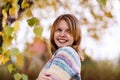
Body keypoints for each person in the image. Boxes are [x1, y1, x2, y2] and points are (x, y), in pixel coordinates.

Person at [36, 14, 84, 80]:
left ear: (76, 35)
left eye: (68, 31)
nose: (62, 35)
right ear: (53, 32)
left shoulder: (67, 52)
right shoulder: (62, 53)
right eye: (59, 30)